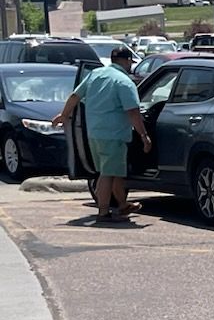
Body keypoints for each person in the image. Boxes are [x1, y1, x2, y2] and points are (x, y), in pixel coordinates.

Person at [52, 46, 150, 224]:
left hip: (94, 134)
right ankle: (103, 212)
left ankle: (122, 204)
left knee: (115, 173)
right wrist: (143, 135)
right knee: (107, 174)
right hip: (114, 135)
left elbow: (75, 96)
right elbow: (133, 111)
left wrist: (64, 115)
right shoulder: (124, 81)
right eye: (130, 62)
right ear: (127, 61)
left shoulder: (95, 74)